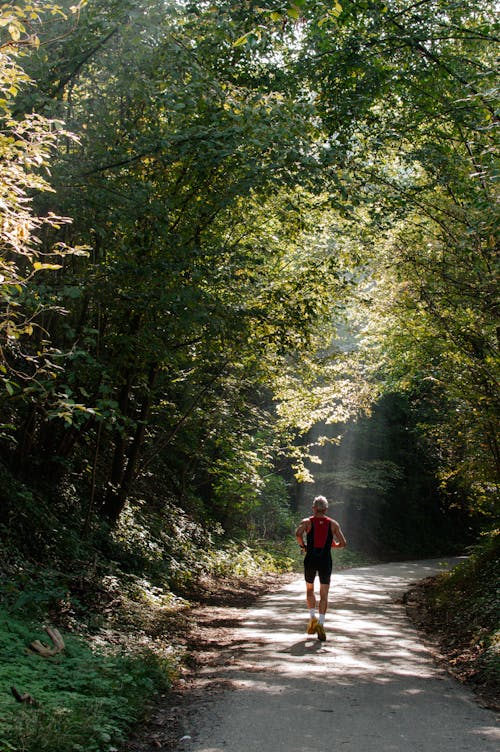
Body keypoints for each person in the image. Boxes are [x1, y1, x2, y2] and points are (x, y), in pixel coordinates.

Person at [295, 495, 346, 641]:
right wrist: (333, 545)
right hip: (325, 561)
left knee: (309, 589)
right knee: (324, 594)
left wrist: (303, 546)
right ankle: (321, 625)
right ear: (326, 509)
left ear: (313, 508)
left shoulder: (307, 522)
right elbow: (343, 543)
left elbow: (298, 534)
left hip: (310, 559)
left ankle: (312, 619)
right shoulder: (333, 524)